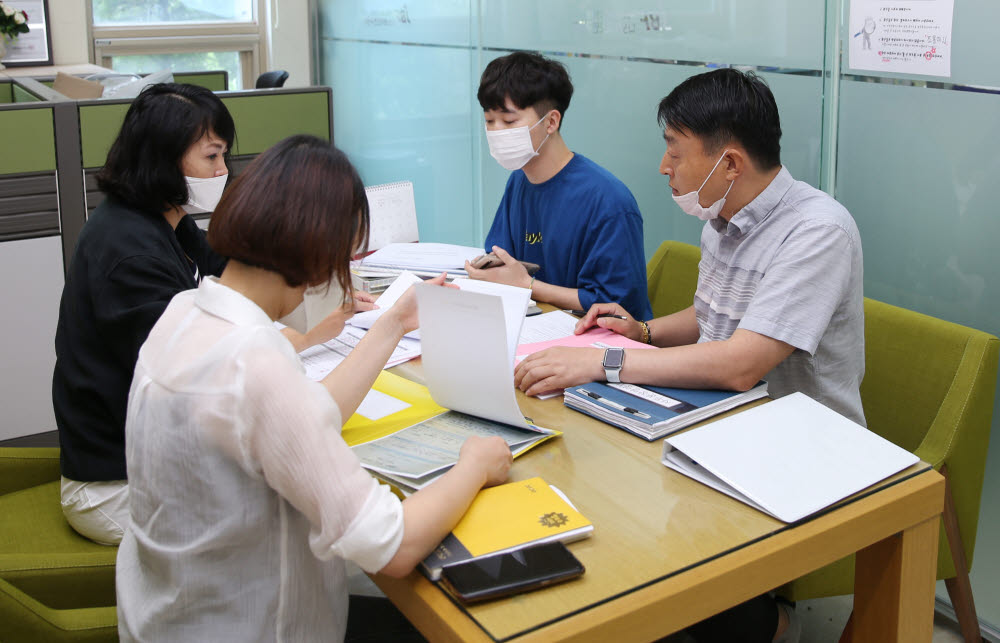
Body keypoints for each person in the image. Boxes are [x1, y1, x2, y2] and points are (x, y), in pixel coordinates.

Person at [115, 135, 513, 641]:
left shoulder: (185, 314)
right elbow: (391, 545)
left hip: (166, 616)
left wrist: (393, 322)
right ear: (319, 254)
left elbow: (301, 418)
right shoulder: (254, 364)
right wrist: (474, 466)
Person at [516, 68, 865, 643]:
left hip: (798, 443)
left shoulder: (817, 231)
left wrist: (606, 361)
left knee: (628, 513)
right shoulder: (720, 215)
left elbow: (740, 362)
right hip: (714, 417)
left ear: (729, 162)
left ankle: (765, 623)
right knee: (592, 480)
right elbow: (711, 316)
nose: (664, 166)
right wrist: (644, 330)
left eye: (674, 150)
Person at [51, 83, 367, 546]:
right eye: (211, 157)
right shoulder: (129, 253)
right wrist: (303, 338)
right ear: (162, 158)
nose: (223, 171)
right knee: (299, 519)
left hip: (152, 460)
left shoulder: (166, 221)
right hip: (112, 485)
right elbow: (193, 378)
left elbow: (238, 278)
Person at [465, 52, 653, 321]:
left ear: (551, 122)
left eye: (509, 122)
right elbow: (501, 256)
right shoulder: (520, 180)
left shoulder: (608, 201)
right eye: (488, 121)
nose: (496, 132)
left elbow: (615, 303)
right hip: (535, 324)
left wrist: (529, 286)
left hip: (598, 340)